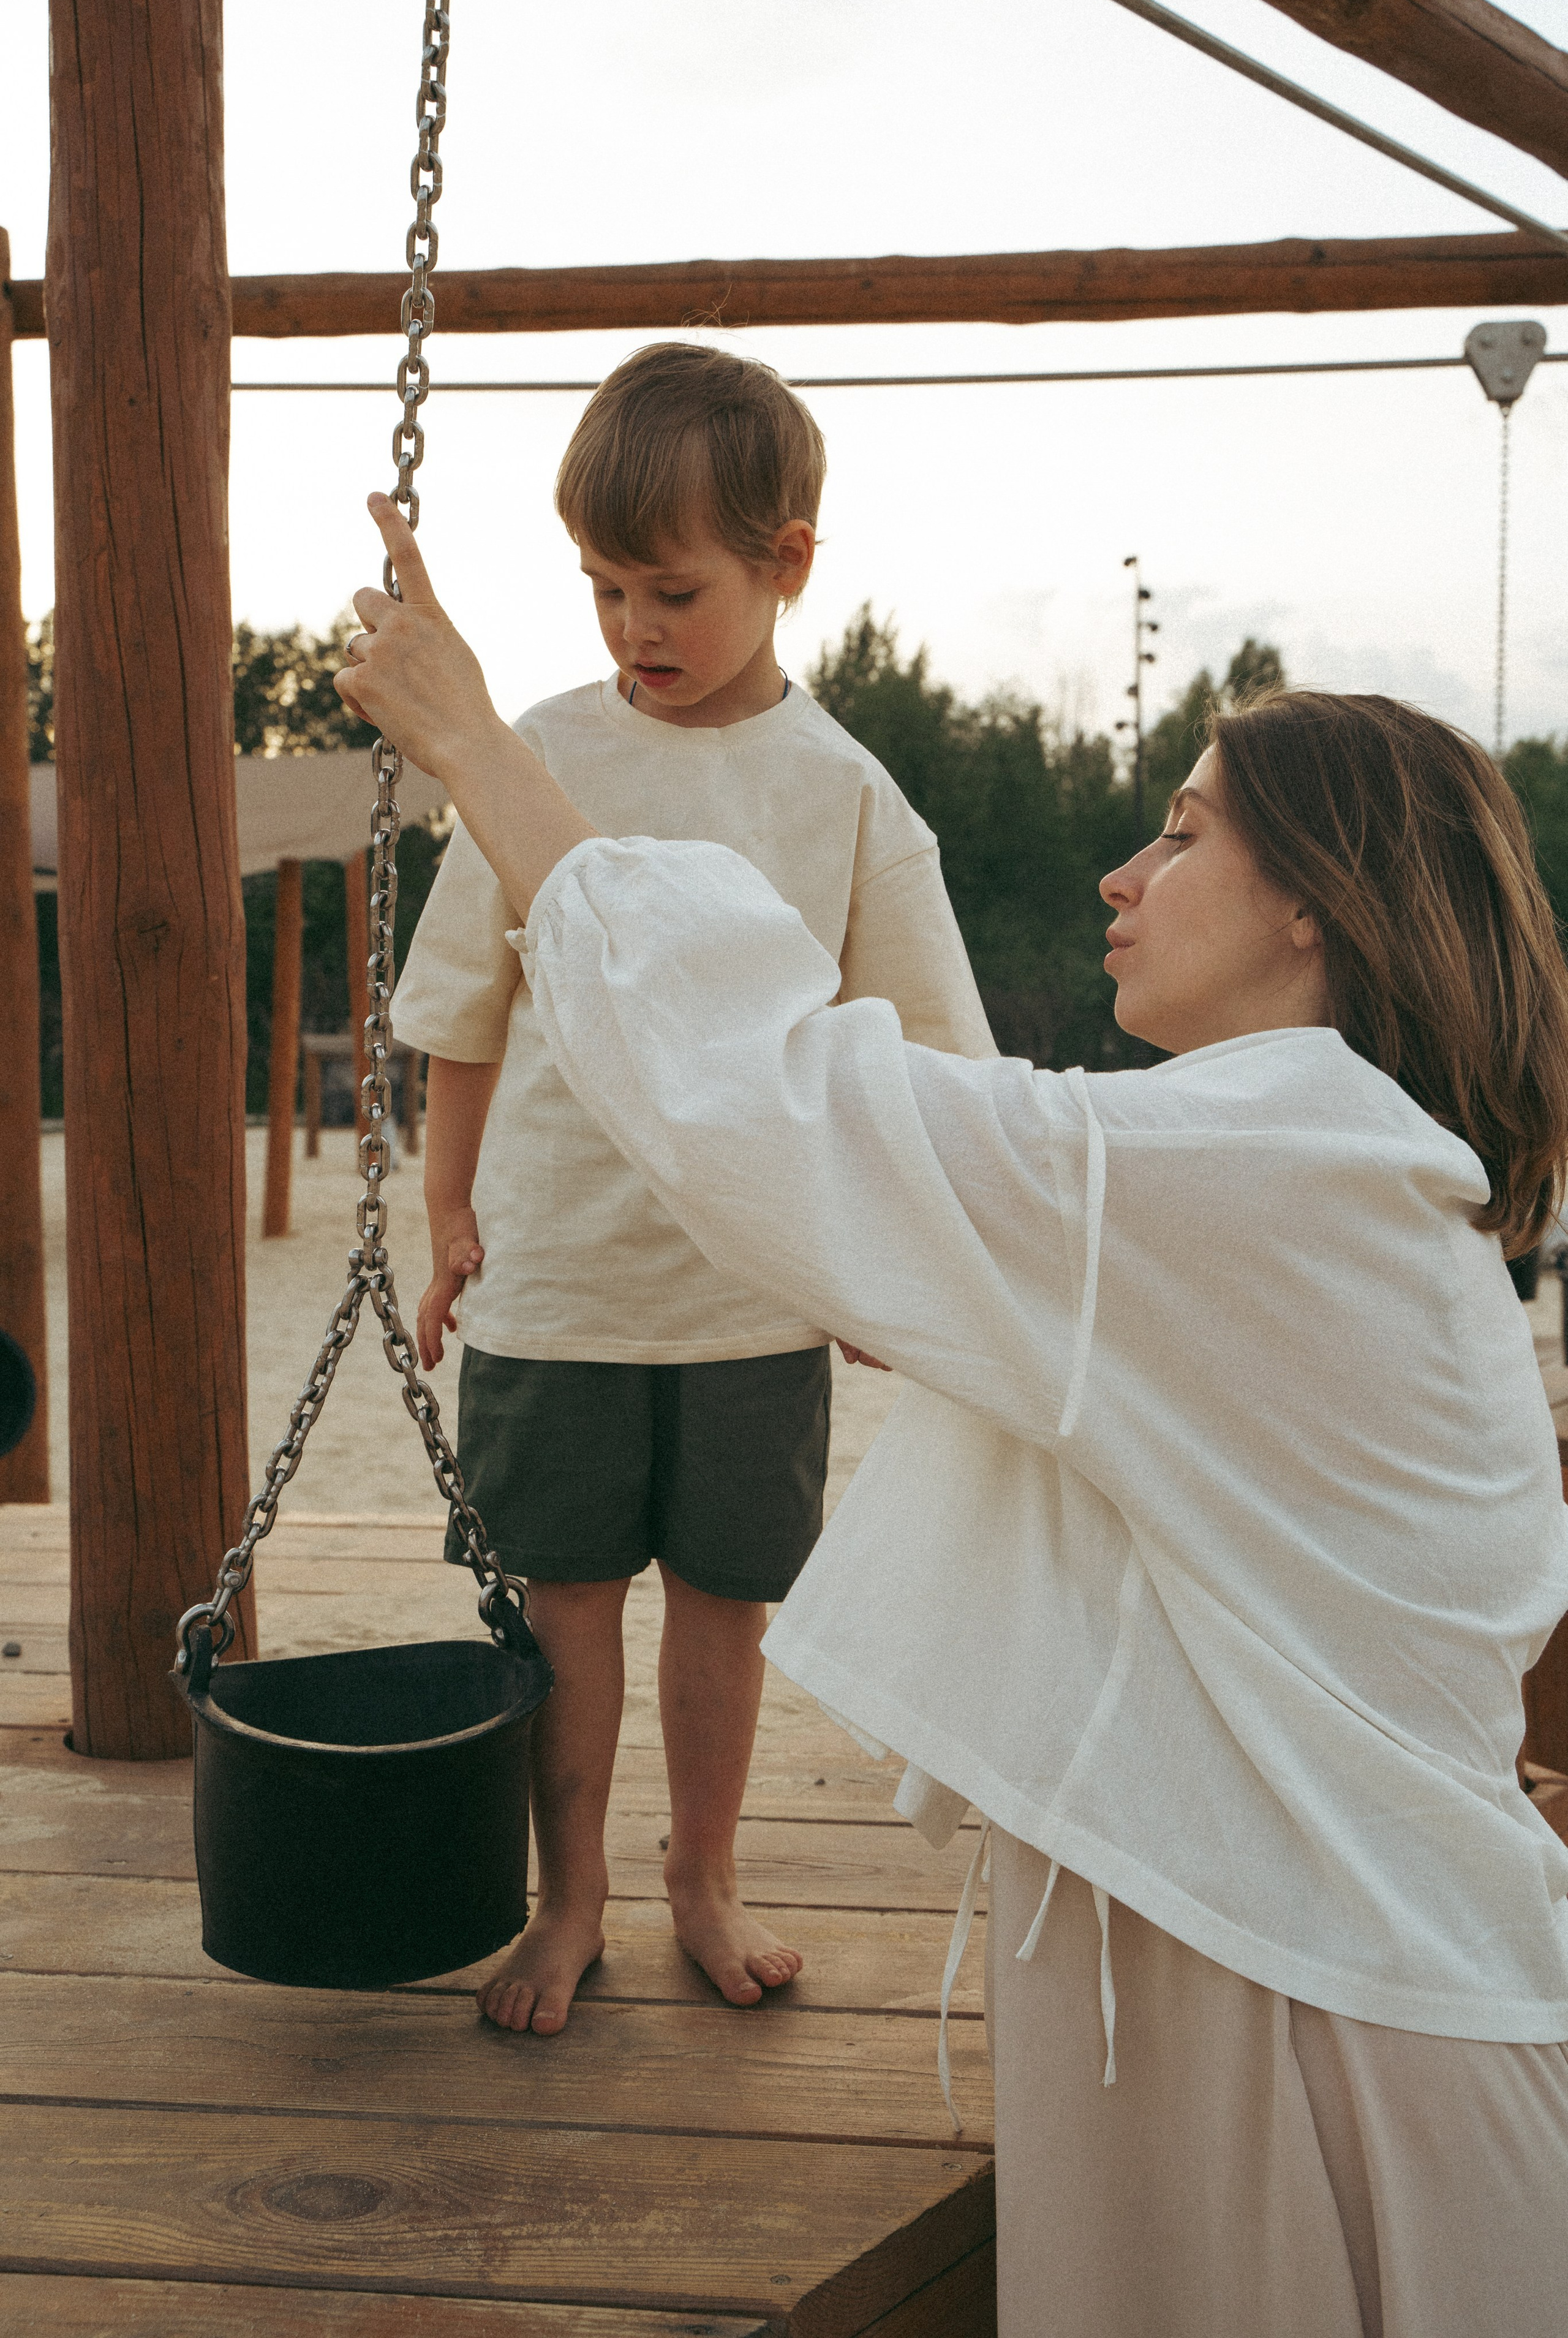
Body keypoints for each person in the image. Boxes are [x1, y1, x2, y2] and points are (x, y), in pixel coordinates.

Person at [341, 497, 1568, 2336]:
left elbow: (776, 1094)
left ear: (1318, 899)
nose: (1123, 877)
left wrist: (476, 746)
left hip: (1324, 2029)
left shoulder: (1267, 1163)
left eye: (1186, 832)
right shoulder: (1328, 1173)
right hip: (1316, 1960)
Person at [386, 343, 996, 2037]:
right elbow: (465, 1016)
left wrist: (881, 1268)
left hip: (749, 1299)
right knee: (565, 1611)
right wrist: (448, 1217)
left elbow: (915, 1056)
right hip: (561, 1285)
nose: (632, 628)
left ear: (786, 562)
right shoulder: (534, 761)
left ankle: (702, 1878)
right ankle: (568, 1898)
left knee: (726, 1613)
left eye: (672, 591)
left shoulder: (846, 792)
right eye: (602, 587)